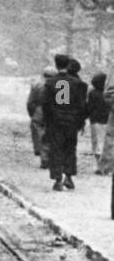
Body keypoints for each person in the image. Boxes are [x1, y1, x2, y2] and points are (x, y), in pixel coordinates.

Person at [43, 57, 87, 190]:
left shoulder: (50, 82)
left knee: (55, 149)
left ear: (56, 66)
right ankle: (68, 176)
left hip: (56, 121)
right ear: (67, 65)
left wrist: (48, 120)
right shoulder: (76, 83)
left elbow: (46, 104)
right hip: (71, 121)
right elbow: (81, 105)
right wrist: (81, 122)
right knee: (70, 148)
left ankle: (57, 180)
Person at [27, 65, 58, 170]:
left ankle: (44, 158)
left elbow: (30, 102)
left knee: (41, 136)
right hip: (54, 112)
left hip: (39, 111)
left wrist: (33, 114)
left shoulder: (36, 85)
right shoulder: (60, 85)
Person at [87, 72, 108, 161]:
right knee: (104, 140)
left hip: (95, 119)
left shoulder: (92, 93)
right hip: (106, 119)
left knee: (96, 141)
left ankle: (98, 160)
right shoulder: (107, 94)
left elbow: (89, 107)